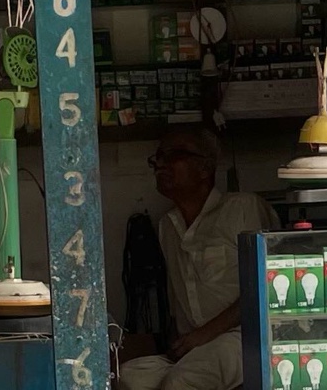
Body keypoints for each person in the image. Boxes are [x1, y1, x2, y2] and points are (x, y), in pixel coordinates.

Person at [118, 126, 278, 390]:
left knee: (184, 380)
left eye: (174, 155)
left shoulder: (242, 208)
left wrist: (203, 335)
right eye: (158, 158)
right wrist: (180, 343)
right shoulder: (167, 225)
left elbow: (264, 288)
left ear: (205, 168)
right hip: (196, 345)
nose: (161, 165)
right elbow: (177, 299)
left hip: (246, 336)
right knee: (129, 377)